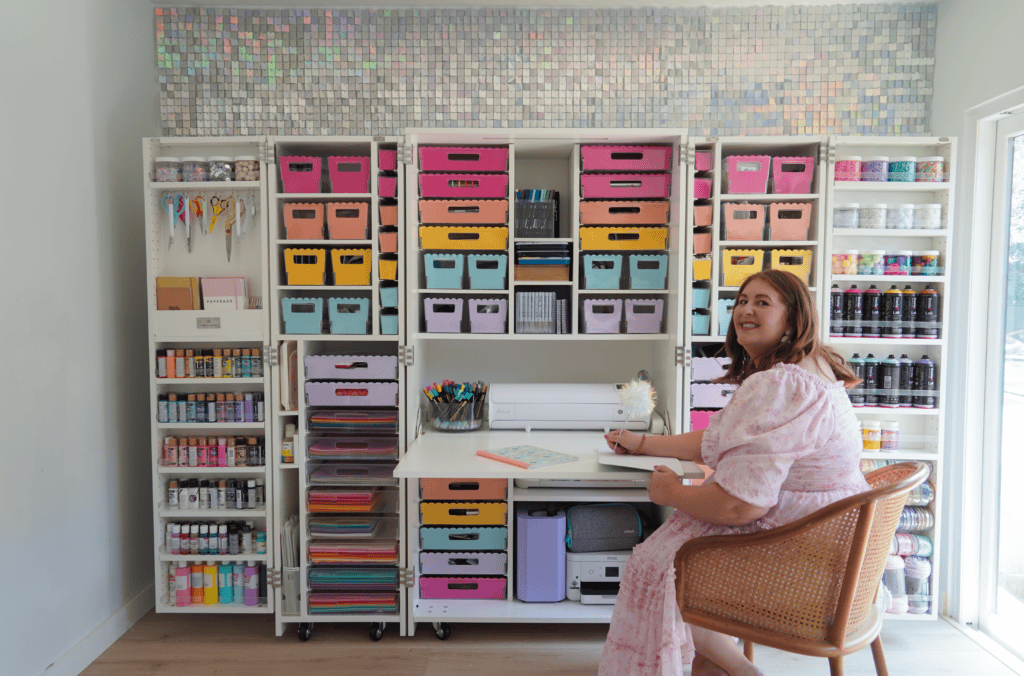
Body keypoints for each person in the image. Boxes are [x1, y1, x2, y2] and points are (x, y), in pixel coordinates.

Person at [598, 269, 869, 676]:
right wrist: (644, 443)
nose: (746, 310)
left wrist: (669, 492)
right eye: (742, 301)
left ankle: (742, 670)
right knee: (673, 554)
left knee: (662, 566)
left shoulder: (779, 385)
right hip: (831, 544)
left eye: (763, 302)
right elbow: (722, 438)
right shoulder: (812, 367)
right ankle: (715, 664)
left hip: (801, 555)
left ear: (793, 320)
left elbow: (740, 507)